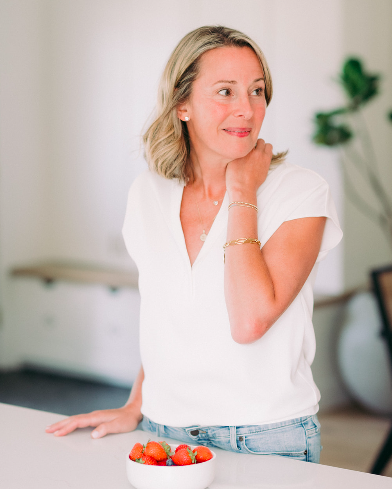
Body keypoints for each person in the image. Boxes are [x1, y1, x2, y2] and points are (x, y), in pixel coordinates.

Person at [46, 25, 342, 463]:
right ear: (182, 104)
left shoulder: (299, 192)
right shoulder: (148, 192)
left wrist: (243, 192)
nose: (247, 109)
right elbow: (167, 319)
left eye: (257, 91)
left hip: (266, 437)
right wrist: (136, 404)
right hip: (164, 434)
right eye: (225, 91)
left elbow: (250, 322)